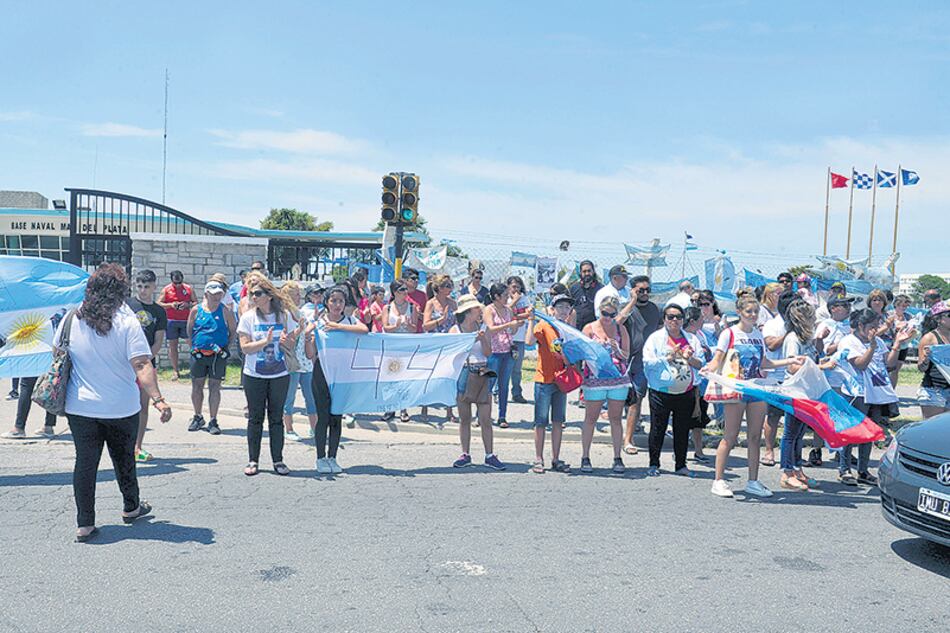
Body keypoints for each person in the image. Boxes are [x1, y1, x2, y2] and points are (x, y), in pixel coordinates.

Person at [53, 264, 172, 542]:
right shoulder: (127, 322)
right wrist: (158, 400)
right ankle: (131, 508)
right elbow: (142, 364)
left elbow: (57, 353)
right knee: (123, 460)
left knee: (85, 463)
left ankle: (85, 524)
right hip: (121, 406)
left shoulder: (71, 318)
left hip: (80, 407)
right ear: (121, 291)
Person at [704, 295, 802, 498]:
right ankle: (719, 480)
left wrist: (789, 361)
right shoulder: (729, 333)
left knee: (755, 437)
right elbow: (717, 359)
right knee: (730, 436)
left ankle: (753, 481)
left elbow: (764, 363)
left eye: (756, 311)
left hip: (755, 389)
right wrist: (708, 369)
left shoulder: (758, 334)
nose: (753, 315)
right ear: (739, 312)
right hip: (736, 389)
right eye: (749, 311)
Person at [837, 308, 914, 485]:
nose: (875, 329)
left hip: (876, 394)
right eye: (872, 326)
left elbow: (890, 364)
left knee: (869, 433)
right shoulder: (849, 341)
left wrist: (897, 344)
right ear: (860, 325)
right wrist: (871, 346)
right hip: (856, 393)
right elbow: (860, 365)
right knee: (850, 432)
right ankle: (844, 469)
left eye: (877, 326)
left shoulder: (878, 341)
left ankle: (862, 471)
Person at [307, 286, 369, 474]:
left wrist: (338, 326)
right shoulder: (317, 322)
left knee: (336, 418)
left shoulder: (349, 320)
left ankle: (332, 457)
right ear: (326, 302)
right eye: (333, 300)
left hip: (342, 377)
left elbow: (364, 329)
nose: (337, 304)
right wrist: (308, 338)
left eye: (340, 301)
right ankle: (320, 457)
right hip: (321, 375)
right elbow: (310, 354)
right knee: (323, 417)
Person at [237, 273, 293, 476]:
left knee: (276, 418)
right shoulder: (247, 318)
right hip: (254, 375)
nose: (253, 297)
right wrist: (264, 343)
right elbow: (245, 348)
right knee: (255, 418)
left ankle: (278, 460)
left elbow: (291, 342)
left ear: (269, 296)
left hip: (279, 374)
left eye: (257, 293)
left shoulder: (282, 315)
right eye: (251, 294)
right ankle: (253, 460)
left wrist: (288, 341)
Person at [778, 301, 836, 491]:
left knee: (800, 433)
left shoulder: (806, 338)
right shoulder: (793, 338)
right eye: (811, 316)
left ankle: (797, 470)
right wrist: (821, 367)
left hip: (807, 390)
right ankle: (786, 473)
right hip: (795, 390)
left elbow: (811, 358)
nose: (814, 319)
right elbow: (792, 365)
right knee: (790, 433)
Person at [642, 304, 704, 477]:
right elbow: (647, 362)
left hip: (686, 392)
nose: (674, 320)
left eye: (678, 317)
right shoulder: (655, 339)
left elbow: (702, 364)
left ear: (683, 320)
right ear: (664, 319)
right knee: (658, 428)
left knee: (682, 429)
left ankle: (681, 465)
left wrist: (690, 359)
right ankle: (654, 463)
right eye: (670, 317)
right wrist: (666, 358)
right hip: (660, 391)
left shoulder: (692, 339)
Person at [449, 294, 505, 470]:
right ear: (467, 312)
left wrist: (481, 339)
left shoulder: (483, 328)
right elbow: (452, 355)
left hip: (481, 370)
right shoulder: (455, 330)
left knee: (485, 417)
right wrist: (468, 342)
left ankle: (489, 454)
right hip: (463, 372)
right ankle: (465, 453)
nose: (479, 310)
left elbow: (488, 353)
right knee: (464, 417)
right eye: (475, 308)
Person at [579, 295, 631, 474]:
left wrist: (616, 349)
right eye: (604, 313)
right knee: (591, 419)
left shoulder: (621, 329)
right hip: (595, 380)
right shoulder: (589, 328)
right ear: (599, 311)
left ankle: (617, 457)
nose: (607, 317)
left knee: (615, 419)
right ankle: (585, 457)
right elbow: (582, 354)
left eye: (611, 314)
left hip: (618, 380)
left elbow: (626, 355)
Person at [527, 294, 574, 473]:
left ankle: (556, 458)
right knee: (540, 421)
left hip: (561, 380)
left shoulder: (568, 329)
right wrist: (531, 319)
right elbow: (529, 341)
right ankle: (538, 458)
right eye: (560, 307)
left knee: (558, 420)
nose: (563, 310)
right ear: (552, 310)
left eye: (567, 307)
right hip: (544, 379)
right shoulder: (544, 325)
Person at [126, 269, 167, 461]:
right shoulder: (127, 305)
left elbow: (158, 340)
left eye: (147, 287)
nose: (143, 291)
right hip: (125, 363)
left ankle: (137, 447)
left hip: (146, 363)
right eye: (140, 286)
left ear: (154, 287)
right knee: (124, 404)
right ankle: (122, 445)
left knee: (143, 405)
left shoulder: (159, 311)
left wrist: (146, 360)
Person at [186, 279, 235, 436]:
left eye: (219, 294)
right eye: (213, 294)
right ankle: (198, 416)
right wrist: (195, 345)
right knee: (197, 385)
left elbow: (233, 330)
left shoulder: (225, 310)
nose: (216, 297)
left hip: (217, 356)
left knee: (215, 387)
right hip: (199, 354)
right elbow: (189, 329)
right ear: (206, 293)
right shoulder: (196, 310)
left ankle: (213, 419)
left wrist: (225, 346)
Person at [623, 275, 661, 447]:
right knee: (621, 399)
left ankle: (628, 439)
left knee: (636, 399)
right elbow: (617, 321)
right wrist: (632, 301)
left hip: (644, 361)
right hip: (624, 360)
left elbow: (661, 329)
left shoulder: (655, 309)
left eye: (647, 290)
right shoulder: (626, 307)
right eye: (640, 290)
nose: (645, 293)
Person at [484, 282, 526, 428]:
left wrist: (515, 326)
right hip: (493, 352)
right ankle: (483, 415)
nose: (507, 298)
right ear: (496, 296)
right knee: (488, 385)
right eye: (505, 296)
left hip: (507, 351)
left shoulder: (508, 310)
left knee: (504, 385)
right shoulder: (489, 309)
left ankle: (502, 416)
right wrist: (509, 325)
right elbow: (491, 328)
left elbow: (512, 332)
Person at [280, 281, 318, 441]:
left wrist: (312, 326)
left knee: (311, 396)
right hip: (291, 361)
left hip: (305, 360)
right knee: (289, 397)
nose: (298, 297)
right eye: (295, 294)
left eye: (298, 294)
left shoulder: (300, 313)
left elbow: (309, 327)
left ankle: (315, 428)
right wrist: (300, 329)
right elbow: (286, 340)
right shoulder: (284, 315)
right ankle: (288, 429)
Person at [380, 280, 420, 423]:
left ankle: (404, 408)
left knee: (404, 378)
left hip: (406, 347)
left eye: (405, 290)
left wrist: (409, 325)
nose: (404, 292)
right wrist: (395, 325)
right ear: (394, 292)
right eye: (401, 290)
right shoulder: (387, 308)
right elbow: (384, 327)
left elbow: (415, 329)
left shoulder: (412, 307)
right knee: (390, 378)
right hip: (391, 347)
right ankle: (389, 408)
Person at [423, 274, 459, 424]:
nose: (450, 288)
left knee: (449, 377)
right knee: (429, 377)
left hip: (449, 344)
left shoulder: (453, 304)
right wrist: (440, 320)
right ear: (439, 288)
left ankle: (449, 409)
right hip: (434, 344)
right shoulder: (431, 304)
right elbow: (426, 325)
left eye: (451, 285)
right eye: (446, 286)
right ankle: (424, 408)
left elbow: (458, 321)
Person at [682, 307, 713, 462]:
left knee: (699, 418)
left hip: (700, 383)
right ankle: (679, 450)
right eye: (701, 317)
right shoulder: (683, 336)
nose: (704, 319)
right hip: (686, 382)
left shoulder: (700, 335)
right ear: (692, 321)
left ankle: (698, 450)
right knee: (683, 418)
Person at [157, 270, 195, 380]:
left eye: (179, 283)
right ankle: (175, 371)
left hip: (185, 320)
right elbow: (159, 303)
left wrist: (188, 305)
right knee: (173, 346)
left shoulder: (188, 288)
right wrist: (171, 305)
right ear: (171, 281)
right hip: (171, 320)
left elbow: (196, 302)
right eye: (175, 283)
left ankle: (196, 368)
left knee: (192, 344)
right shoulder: (166, 289)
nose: (178, 285)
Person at [916, 301, 950, 419]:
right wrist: (926, 358)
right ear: (938, 319)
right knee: (932, 428)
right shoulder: (929, 338)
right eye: (949, 315)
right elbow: (921, 368)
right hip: (934, 390)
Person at [505, 275, 532, 405]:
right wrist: (514, 302)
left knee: (516, 369)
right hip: (505, 339)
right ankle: (497, 392)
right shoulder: (505, 299)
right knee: (503, 368)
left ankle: (517, 393)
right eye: (513, 286)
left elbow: (528, 314)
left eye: (518, 286)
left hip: (519, 339)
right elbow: (504, 312)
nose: (516, 289)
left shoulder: (525, 299)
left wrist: (514, 315)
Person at [568, 260, 602, 333]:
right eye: (584, 271)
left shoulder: (601, 289)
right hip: (577, 328)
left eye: (589, 271)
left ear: (593, 272)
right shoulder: (574, 288)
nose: (587, 273)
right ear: (580, 273)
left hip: (594, 329)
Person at [402, 268, 428, 333]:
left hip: (418, 332)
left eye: (417, 279)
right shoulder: (398, 294)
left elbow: (427, 316)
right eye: (413, 278)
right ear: (405, 280)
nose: (416, 280)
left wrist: (418, 314)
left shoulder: (422, 295)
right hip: (401, 332)